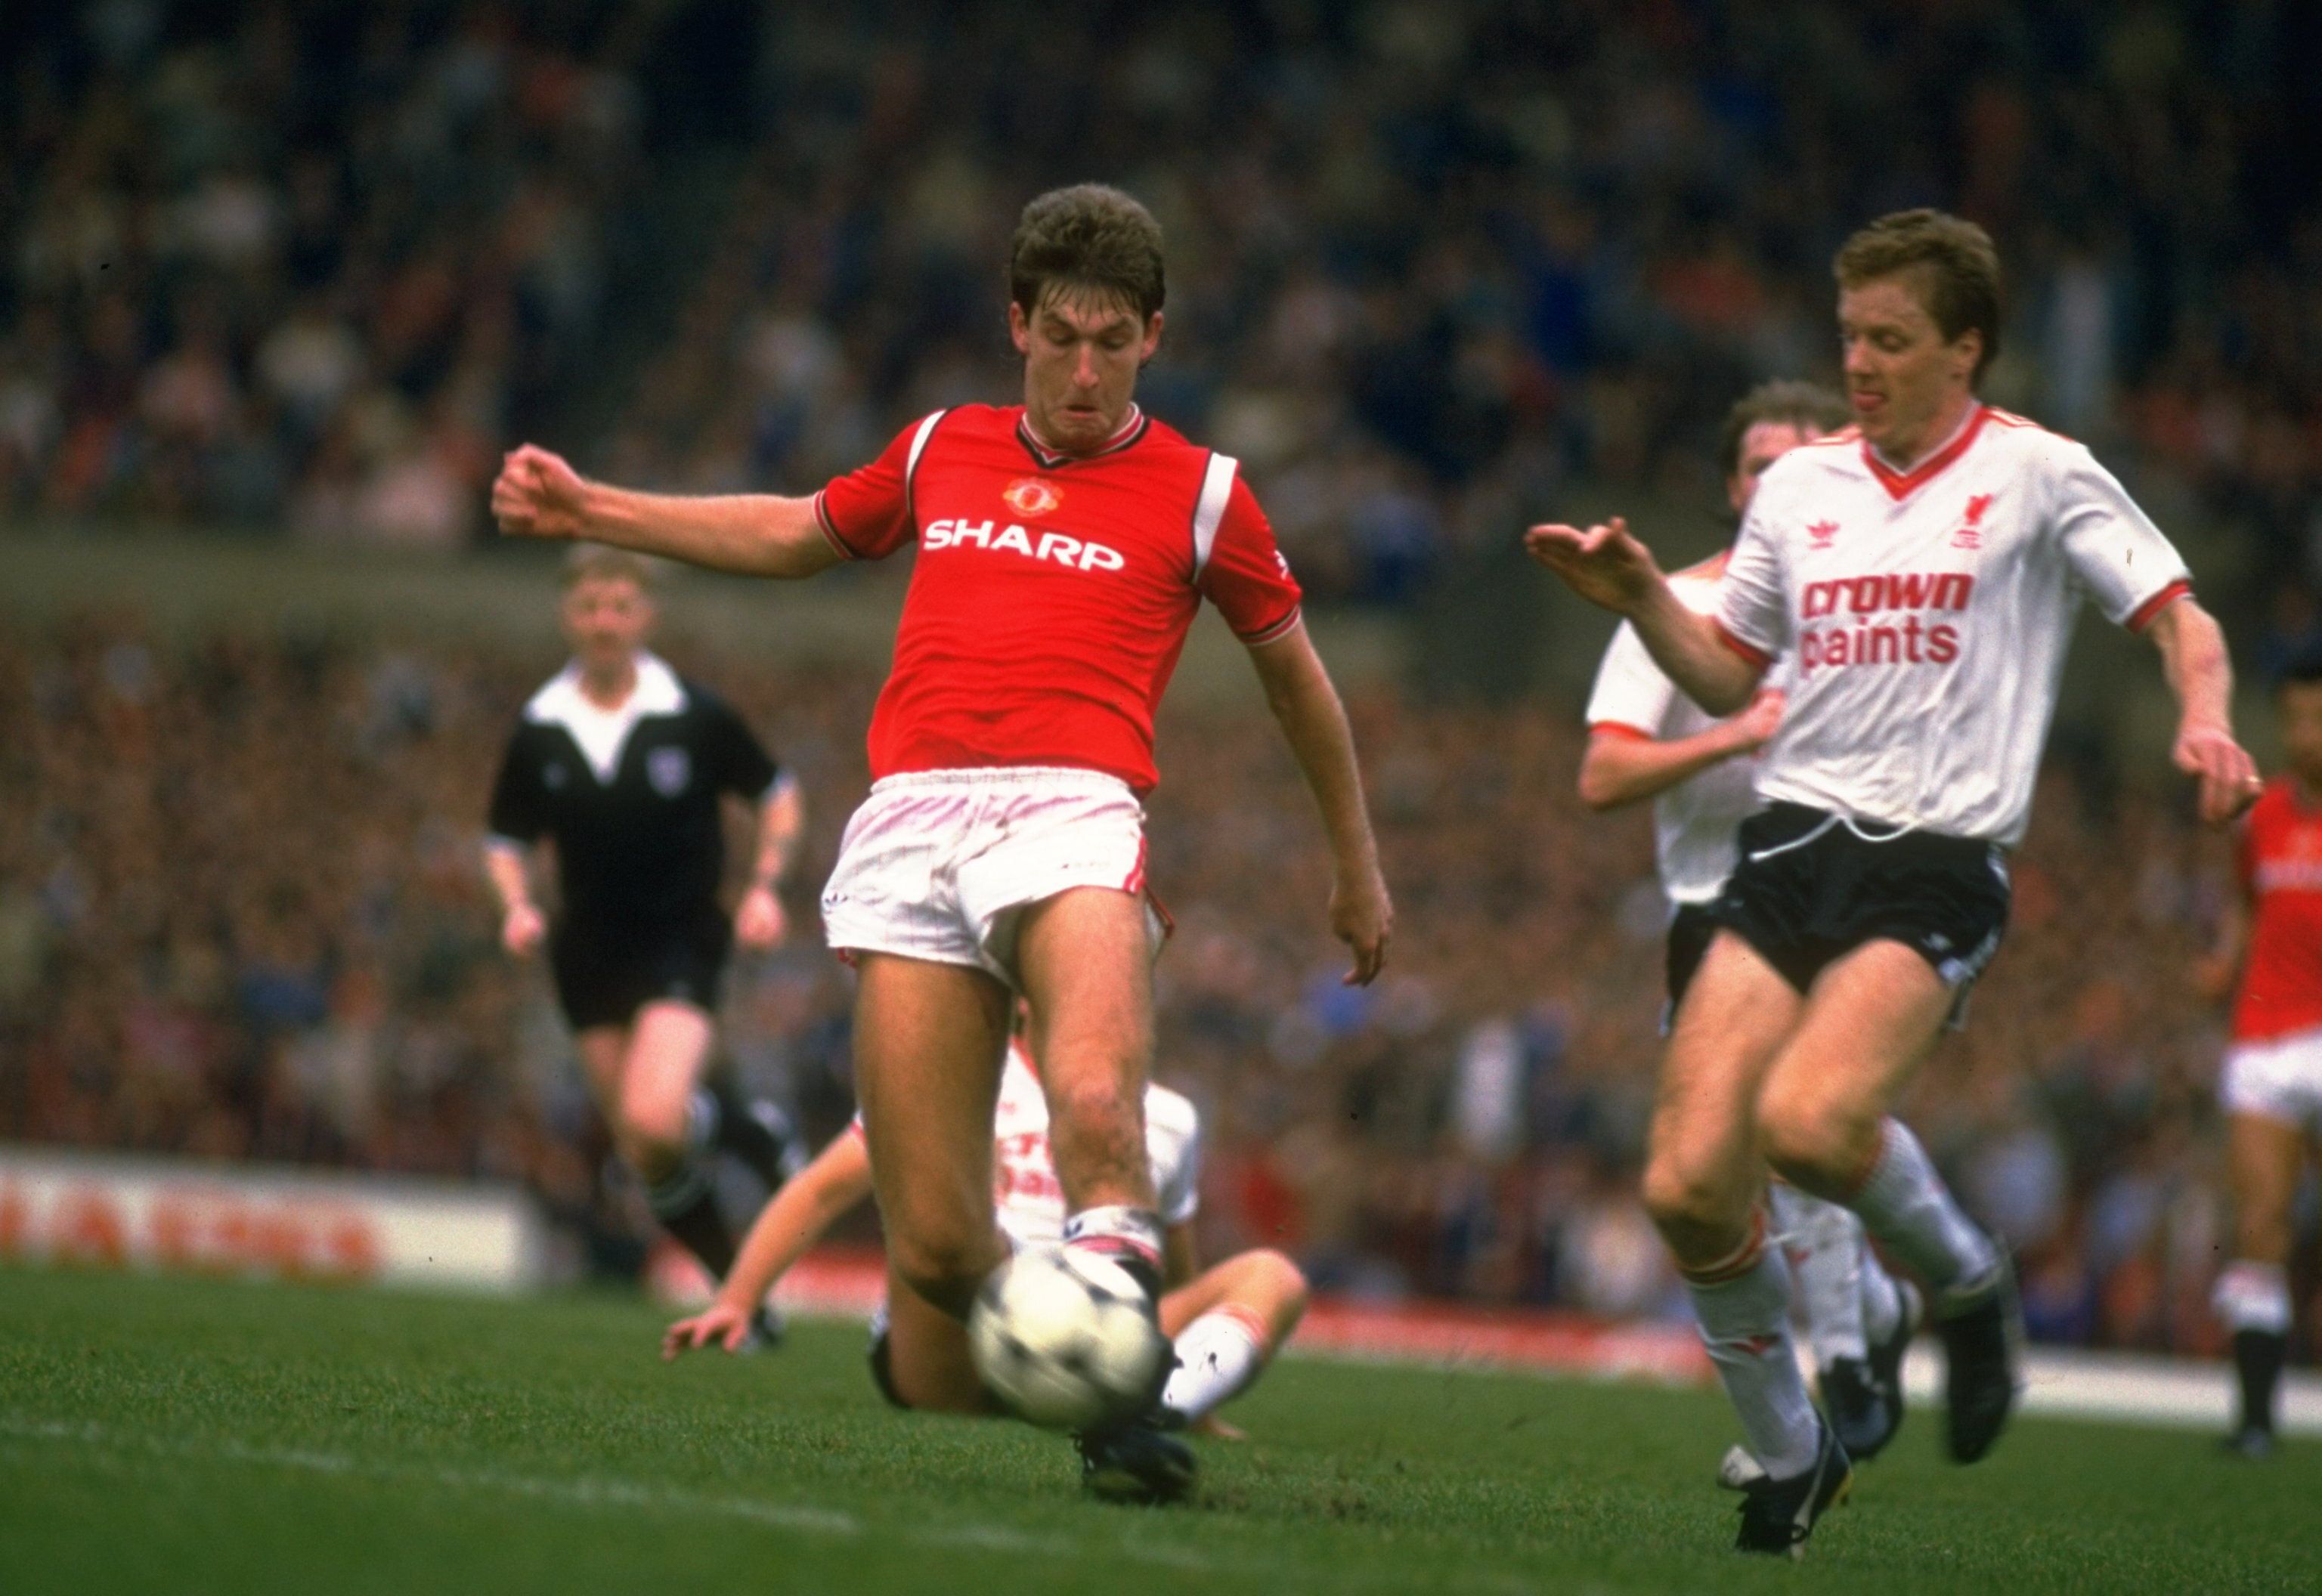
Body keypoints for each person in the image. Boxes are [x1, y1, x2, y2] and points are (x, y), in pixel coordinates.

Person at [492, 184, 1392, 1501]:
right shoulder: (938, 448)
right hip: (908, 824)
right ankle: (1110, 1389)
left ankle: (1125, 1403)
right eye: (1061, 338)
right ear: (1016, 324)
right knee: (933, 1249)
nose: (1086, 372)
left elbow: (1298, 683)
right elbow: (797, 532)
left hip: (1074, 806)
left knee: (1094, 1099)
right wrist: (598, 510)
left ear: (1155, 335)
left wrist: (1355, 864)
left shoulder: (1205, 494)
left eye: (1116, 342)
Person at [1526, 208, 2259, 1556]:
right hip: (1791, 844)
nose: (1858, 362)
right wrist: (1639, 594)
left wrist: (2203, 715)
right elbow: (1725, 676)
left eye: (1890, 339)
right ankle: (1796, 1452)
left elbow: (2178, 612)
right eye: (1849, 334)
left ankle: (1966, 1282)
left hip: (1936, 857)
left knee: (1809, 1125)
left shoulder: (2041, 473)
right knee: (1688, 1186)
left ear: (1964, 347)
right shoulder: (1803, 489)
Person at [1580, 379, 1923, 1471]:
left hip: (1837, 896)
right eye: (1758, 464)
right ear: (1735, 487)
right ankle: (1864, 1310)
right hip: (1708, 908)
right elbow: (1602, 772)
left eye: (1803, 459)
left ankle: (1850, 1367)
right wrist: (1733, 738)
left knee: (1794, 1126)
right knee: (1718, 1183)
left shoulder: (1876, 614)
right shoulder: (1675, 607)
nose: (1779, 481)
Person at [664, 1017, 1310, 1497]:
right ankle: (1115, 1400)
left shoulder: (1170, 1116)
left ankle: (1165, 1405)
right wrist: (739, 1297)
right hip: (955, 1341)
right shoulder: (961, 1075)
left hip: (1104, 1340)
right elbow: (824, 1187)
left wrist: (1201, 1402)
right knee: (943, 1198)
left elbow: (1176, 1271)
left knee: (1271, 1275)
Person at [485, 548, 808, 1322]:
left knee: (653, 1119)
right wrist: (516, 905)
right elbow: (506, 839)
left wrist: (765, 886)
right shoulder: (540, 728)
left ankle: (738, 1133)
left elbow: (778, 796)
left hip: (681, 938)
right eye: (591, 606)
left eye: (620, 606)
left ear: (646, 615)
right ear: (569, 614)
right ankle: (739, 1293)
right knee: (647, 1151)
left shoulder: (693, 715)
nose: (605, 621)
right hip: (587, 952)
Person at [2202, 649, 2322, 1458]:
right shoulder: (2264, 817)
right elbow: (2244, 912)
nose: (2305, 733)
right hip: (2263, 1038)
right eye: (2294, 717)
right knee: (2260, 1225)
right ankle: (2254, 1421)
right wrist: (2218, 963)